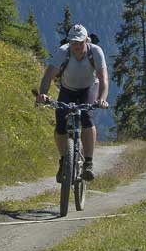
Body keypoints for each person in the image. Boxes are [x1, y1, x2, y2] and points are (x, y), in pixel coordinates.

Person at [36, 23, 109, 182]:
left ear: (86, 40)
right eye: (73, 42)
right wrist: (43, 95)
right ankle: (64, 162)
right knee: (60, 125)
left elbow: (103, 79)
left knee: (87, 119)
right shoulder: (63, 52)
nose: (76, 46)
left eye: (79, 42)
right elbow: (48, 76)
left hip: (89, 88)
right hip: (67, 90)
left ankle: (88, 163)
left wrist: (102, 99)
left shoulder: (95, 51)